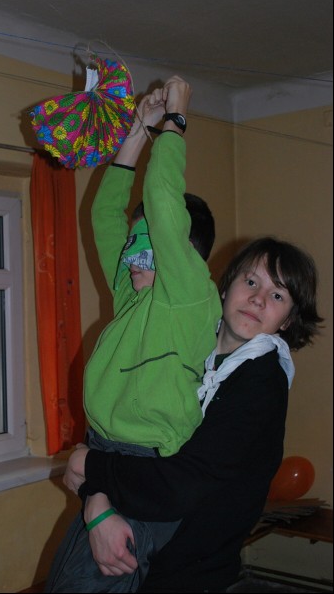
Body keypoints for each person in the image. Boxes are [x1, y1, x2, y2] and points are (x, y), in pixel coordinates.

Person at [62, 236, 323, 593]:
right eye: (250, 281)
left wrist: (90, 467)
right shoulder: (189, 345)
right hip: (136, 544)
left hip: (184, 574)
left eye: (277, 296)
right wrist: (96, 500)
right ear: (225, 286)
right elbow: (129, 430)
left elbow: (180, 487)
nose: (258, 299)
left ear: (288, 320)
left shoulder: (261, 381)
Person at [43, 76, 222, 593]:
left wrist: (176, 122)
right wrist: (138, 130)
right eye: (132, 245)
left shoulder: (188, 297)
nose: (133, 257)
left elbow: (162, 205)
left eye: (148, 245)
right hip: (105, 454)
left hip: (144, 469)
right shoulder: (134, 297)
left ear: (185, 253)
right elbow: (104, 214)